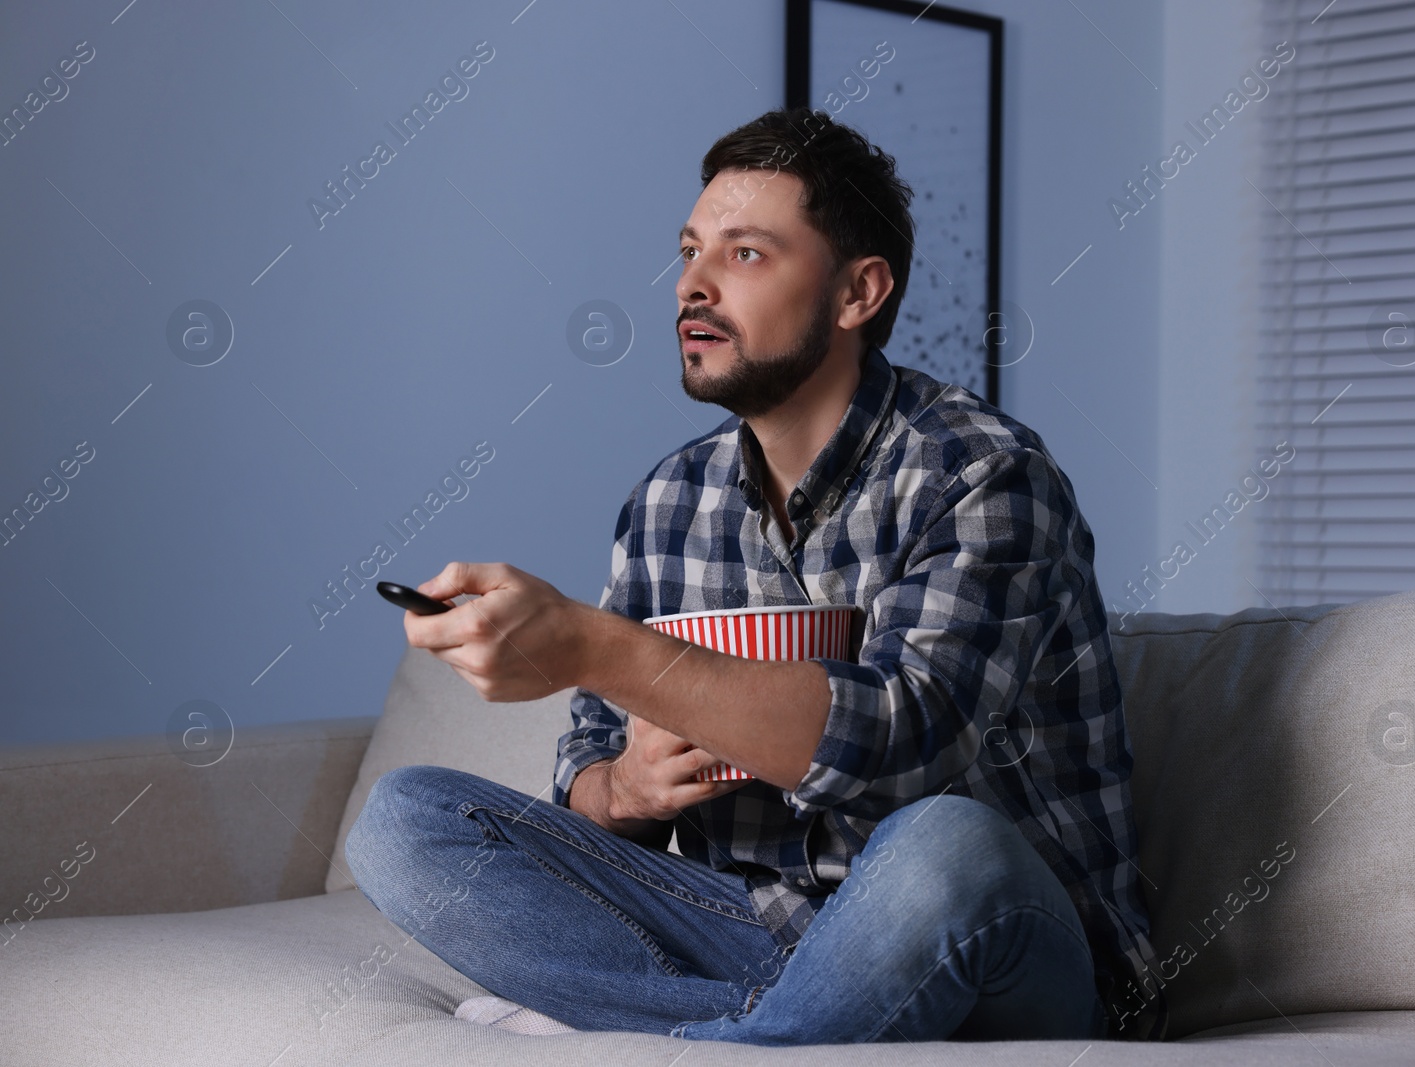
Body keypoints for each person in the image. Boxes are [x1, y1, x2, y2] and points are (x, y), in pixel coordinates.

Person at [344, 106, 1167, 1046]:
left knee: (945, 841)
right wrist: (626, 789)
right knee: (408, 822)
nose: (692, 285)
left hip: (1001, 945)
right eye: (690, 250)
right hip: (753, 936)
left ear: (858, 293)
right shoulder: (667, 500)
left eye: (743, 255)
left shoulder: (981, 473)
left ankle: (663, 1029)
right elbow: (591, 765)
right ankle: (774, 1029)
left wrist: (589, 643)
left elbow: (907, 744)